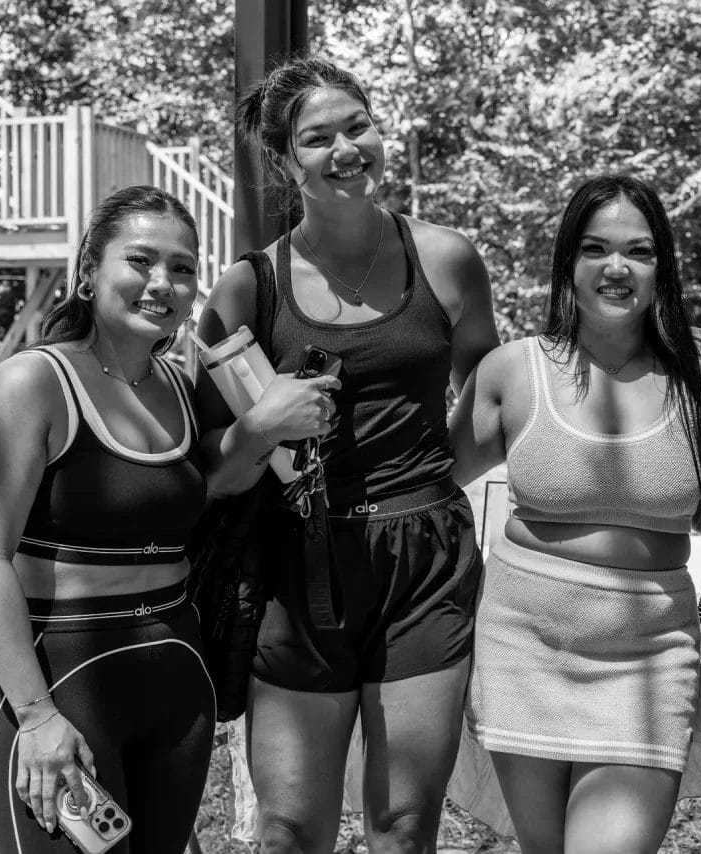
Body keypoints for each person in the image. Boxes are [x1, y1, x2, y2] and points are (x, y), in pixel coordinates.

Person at [195, 57, 498, 854]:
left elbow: (492, 397)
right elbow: (215, 476)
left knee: (403, 828)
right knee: (289, 831)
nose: (344, 150)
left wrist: (430, 486)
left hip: (423, 567)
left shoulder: (448, 260)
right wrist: (262, 428)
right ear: (285, 164)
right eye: (317, 139)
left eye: (356, 126)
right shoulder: (246, 289)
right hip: (300, 571)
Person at [449, 173, 701, 854]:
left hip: (649, 655)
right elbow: (428, 484)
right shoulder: (513, 371)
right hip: (525, 647)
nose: (616, 267)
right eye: (595, 248)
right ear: (567, 263)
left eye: (638, 251)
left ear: (661, 267)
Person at [0, 185, 214, 853]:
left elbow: (213, 494)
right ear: (90, 270)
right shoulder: (33, 383)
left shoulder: (181, 387)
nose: (164, 283)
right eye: (141, 261)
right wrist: (36, 717)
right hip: (64, 691)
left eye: (182, 268)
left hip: (179, 691)